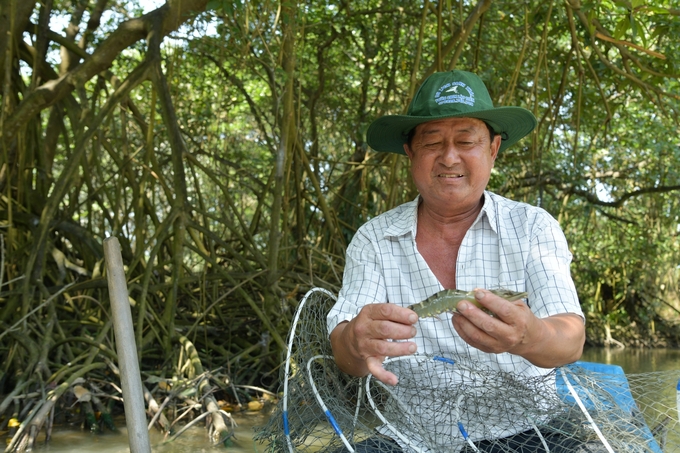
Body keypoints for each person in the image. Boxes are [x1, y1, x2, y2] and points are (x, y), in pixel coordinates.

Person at [326, 70, 586, 452]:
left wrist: (528, 336)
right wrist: (355, 340)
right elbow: (346, 352)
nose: (450, 157)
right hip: (412, 437)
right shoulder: (373, 239)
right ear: (411, 152)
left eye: (466, 141)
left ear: (493, 149)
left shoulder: (533, 227)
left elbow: (571, 340)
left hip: (526, 429)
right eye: (432, 142)